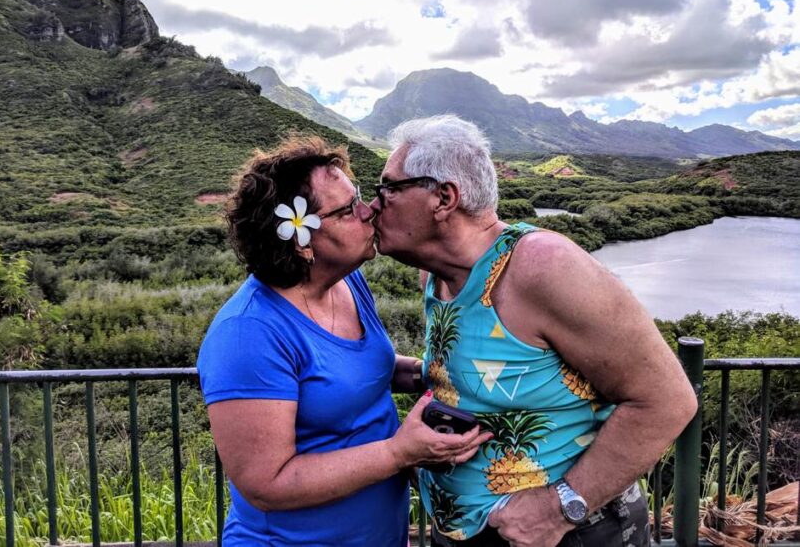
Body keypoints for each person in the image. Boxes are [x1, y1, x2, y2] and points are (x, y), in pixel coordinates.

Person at [370, 115, 699, 547]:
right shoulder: (435, 277)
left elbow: (668, 400)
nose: (374, 204)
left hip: (564, 535)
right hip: (471, 530)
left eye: (390, 188)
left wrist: (558, 508)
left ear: (443, 198)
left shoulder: (541, 266)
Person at [196, 135, 491, 547]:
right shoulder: (249, 334)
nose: (369, 210)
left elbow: (355, 372)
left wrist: (439, 373)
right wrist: (398, 453)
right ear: (302, 241)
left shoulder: (348, 283)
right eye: (348, 209)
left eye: (360, 198)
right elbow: (266, 483)